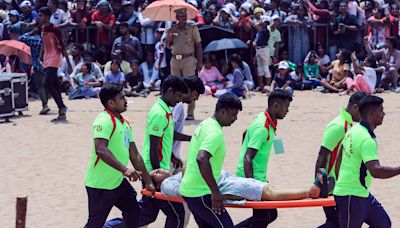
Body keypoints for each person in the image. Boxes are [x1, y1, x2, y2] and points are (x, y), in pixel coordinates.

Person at [84, 83, 155, 227]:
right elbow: (101, 149)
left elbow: (134, 155)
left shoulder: (125, 123)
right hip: (100, 185)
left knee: (133, 211)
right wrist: (125, 170)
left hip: (117, 182)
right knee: (95, 224)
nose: (126, 100)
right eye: (121, 98)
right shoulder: (104, 120)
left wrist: (148, 182)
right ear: (111, 103)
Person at [334, 95, 400, 227]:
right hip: (351, 195)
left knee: (383, 223)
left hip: (360, 193)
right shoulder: (366, 139)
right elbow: (376, 171)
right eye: (380, 110)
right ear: (371, 113)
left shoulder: (353, 130)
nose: (383, 113)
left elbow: (338, 160)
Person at [180, 93, 243, 228]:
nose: (235, 119)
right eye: (234, 114)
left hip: (190, 190)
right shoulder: (215, 132)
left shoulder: (205, 124)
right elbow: (201, 158)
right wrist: (216, 192)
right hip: (200, 193)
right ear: (223, 112)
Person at [139, 76, 191, 228]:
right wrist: (156, 176)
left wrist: (173, 156)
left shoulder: (165, 111)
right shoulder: (159, 114)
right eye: (179, 96)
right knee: (177, 214)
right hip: (155, 172)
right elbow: (153, 148)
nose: (180, 101)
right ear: (169, 91)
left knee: (146, 215)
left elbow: (165, 139)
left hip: (157, 171)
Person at [235, 89, 292, 227]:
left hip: (259, 177)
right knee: (262, 218)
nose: (287, 111)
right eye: (286, 107)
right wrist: (252, 184)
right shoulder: (263, 126)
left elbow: (245, 133)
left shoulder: (266, 119)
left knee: (271, 214)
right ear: (276, 106)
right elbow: (248, 158)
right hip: (251, 177)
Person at [314, 92, 366, 228]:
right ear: (355, 107)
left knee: (337, 223)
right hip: (331, 186)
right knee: (336, 223)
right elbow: (322, 156)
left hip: (341, 186)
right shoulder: (338, 126)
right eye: (364, 112)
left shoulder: (348, 125)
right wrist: (318, 185)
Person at [166, 8, 203, 120]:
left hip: (188, 59)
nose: (183, 19)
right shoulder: (172, 29)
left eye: (185, 17)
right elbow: (168, 45)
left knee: (190, 86)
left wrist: (199, 62)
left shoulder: (192, 28)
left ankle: (190, 113)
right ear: (177, 18)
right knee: (175, 86)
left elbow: (198, 46)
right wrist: (169, 36)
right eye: (181, 17)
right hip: (175, 60)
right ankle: (176, 111)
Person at [38, 6, 71, 122]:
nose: (39, 17)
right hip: (47, 58)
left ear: (47, 16)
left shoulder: (54, 29)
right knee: (55, 85)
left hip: (55, 58)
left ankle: (62, 107)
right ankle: (62, 110)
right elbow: (43, 43)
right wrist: (40, 56)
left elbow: (62, 45)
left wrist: (68, 63)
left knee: (47, 84)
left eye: (41, 15)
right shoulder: (42, 28)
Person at [172, 76, 205, 159]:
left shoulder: (178, 104)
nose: (196, 98)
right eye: (196, 94)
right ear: (188, 90)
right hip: (169, 157)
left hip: (172, 155)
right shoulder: (178, 106)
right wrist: (191, 138)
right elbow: (169, 133)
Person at [253, 15, 271, 91]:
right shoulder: (262, 30)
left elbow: (255, 25)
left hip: (264, 49)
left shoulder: (265, 30)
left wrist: (260, 22)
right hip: (259, 49)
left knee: (266, 68)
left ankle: (267, 86)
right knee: (259, 68)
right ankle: (261, 86)